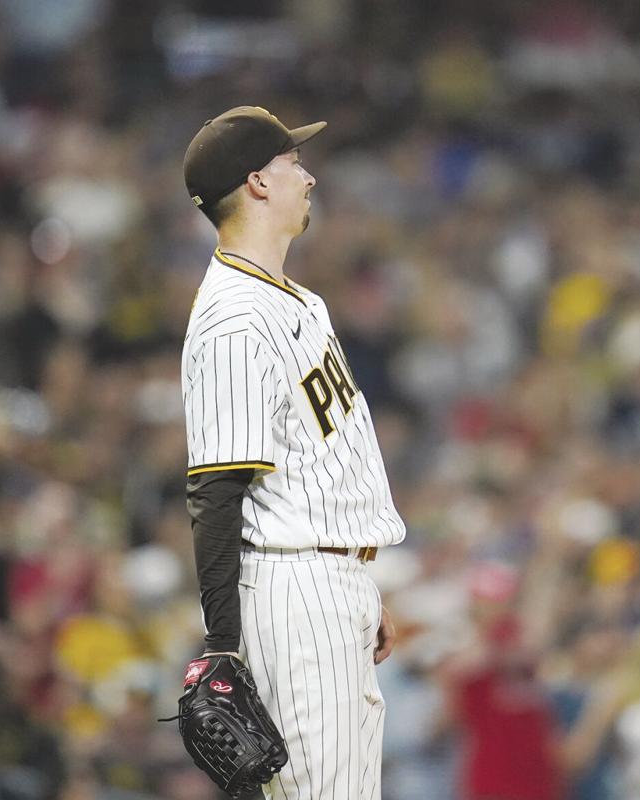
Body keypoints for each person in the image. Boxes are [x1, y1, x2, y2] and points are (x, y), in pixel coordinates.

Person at [178, 106, 407, 799]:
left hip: (326, 582)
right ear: (257, 183)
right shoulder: (234, 321)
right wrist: (223, 647)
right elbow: (216, 491)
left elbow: (318, 456)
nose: (306, 176)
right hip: (292, 596)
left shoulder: (293, 300)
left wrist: (356, 576)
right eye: (291, 164)